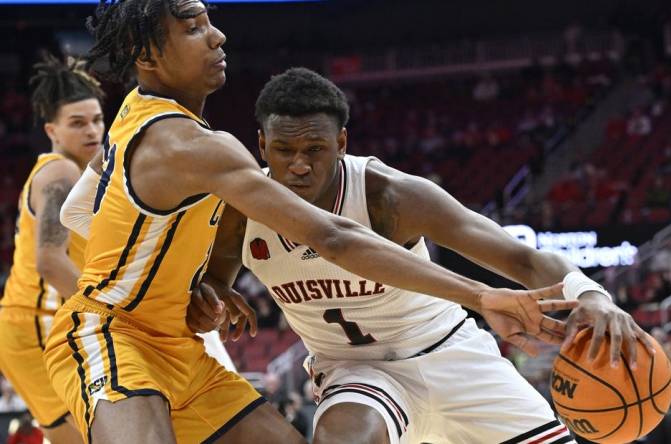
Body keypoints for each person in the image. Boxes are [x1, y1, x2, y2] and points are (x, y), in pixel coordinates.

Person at [48, 2, 578, 443]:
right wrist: (483, 296)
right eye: (193, 27)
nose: (217, 35)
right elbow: (333, 236)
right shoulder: (194, 146)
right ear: (146, 54)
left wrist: (192, 284)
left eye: (208, 21)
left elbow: (81, 213)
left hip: (180, 349)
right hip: (113, 334)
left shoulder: (135, 113)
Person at [188, 67, 652, 444]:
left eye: (315, 149)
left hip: (450, 352)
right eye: (284, 150)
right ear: (262, 145)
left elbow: (522, 260)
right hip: (356, 372)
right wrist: (214, 297)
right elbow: (215, 281)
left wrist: (591, 294)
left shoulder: (389, 196)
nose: (300, 165)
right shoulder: (239, 208)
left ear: (342, 144)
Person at [0, 54, 104, 444]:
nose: (92, 131)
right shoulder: (60, 171)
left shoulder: (83, 173)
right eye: (77, 123)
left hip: (46, 325)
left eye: (96, 119)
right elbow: (49, 260)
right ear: (52, 130)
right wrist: (112, 310)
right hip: (36, 327)